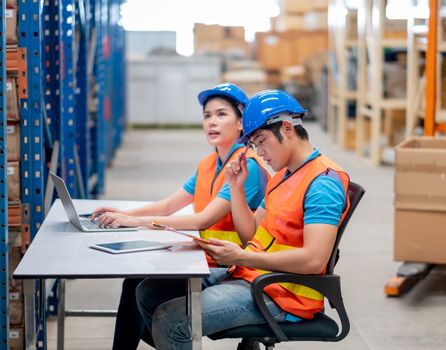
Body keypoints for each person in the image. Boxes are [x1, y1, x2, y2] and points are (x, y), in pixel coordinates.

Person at [136, 90, 351, 349]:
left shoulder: (322, 184)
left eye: (261, 141)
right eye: (255, 145)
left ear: (287, 128)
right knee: (148, 293)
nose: (259, 153)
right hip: (254, 275)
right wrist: (236, 188)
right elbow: (251, 236)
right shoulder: (284, 176)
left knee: (172, 321)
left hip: (283, 293)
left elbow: (314, 259)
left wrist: (242, 257)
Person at [93, 83, 269, 350]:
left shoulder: (247, 168)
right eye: (207, 115)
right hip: (204, 257)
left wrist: (136, 222)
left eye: (222, 115)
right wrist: (123, 214)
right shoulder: (209, 164)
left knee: (140, 294)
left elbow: (202, 221)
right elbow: (168, 206)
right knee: (135, 286)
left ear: (241, 123)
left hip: (232, 263)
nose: (212, 122)